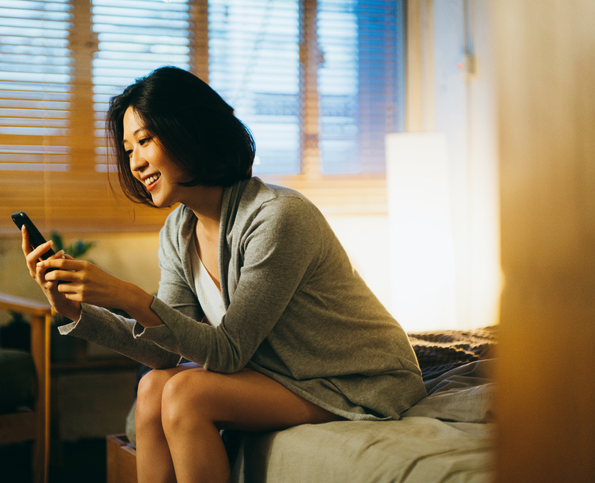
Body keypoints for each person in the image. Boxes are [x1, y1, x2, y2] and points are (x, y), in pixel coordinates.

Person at [22, 66, 426, 483]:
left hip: (357, 379)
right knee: (152, 387)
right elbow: (165, 352)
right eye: (127, 150)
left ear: (188, 131)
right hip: (281, 373)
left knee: (185, 393)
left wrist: (126, 295)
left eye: (144, 141)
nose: (136, 163)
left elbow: (229, 351)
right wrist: (74, 311)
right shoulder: (179, 232)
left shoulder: (278, 217)